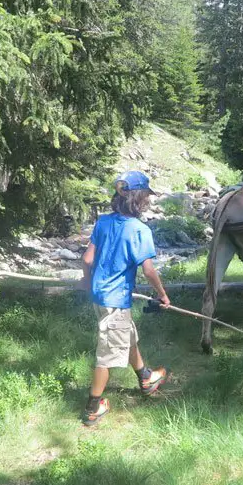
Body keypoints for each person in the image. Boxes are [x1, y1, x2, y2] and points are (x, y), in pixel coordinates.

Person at [79, 170, 170, 426]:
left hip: (100, 298)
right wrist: (162, 295)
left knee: (127, 335)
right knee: (106, 355)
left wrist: (87, 281)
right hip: (116, 301)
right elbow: (149, 270)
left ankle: (145, 377)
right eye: (146, 197)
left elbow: (87, 259)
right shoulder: (139, 229)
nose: (148, 202)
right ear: (139, 199)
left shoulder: (104, 222)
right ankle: (92, 408)